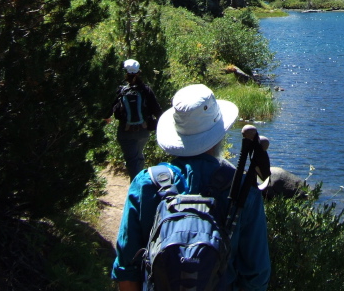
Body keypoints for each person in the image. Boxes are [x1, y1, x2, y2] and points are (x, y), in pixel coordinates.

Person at [111, 84, 270, 291]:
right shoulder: (242, 189)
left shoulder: (145, 184)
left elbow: (127, 269)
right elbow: (256, 274)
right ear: (219, 135)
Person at [105, 59, 162, 180]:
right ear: (138, 72)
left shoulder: (120, 91)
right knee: (139, 156)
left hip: (125, 132)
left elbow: (108, 110)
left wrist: (106, 117)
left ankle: (137, 188)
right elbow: (158, 111)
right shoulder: (146, 90)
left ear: (125, 73)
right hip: (143, 131)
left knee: (132, 160)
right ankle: (140, 185)